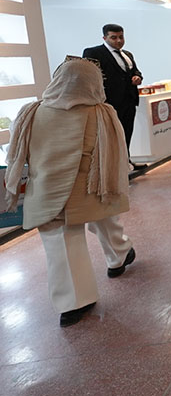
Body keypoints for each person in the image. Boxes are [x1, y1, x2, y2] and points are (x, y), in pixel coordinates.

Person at [3, 58, 135, 327]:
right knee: (105, 219)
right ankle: (119, 256)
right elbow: (116, 151)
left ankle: (76, 302)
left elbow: (18, 151)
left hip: (46, 190)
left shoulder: (31, 112)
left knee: (61, 240)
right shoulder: (101, 112)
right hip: (93, 187)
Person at [82, 24, 142, 162]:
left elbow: (135, 70)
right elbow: (90, 75)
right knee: (111, 136)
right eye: (114, 37)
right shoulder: (93, 52)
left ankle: (126, 161)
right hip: (109, 102)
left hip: (129, 100)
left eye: (121, 37)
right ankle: (113, 165)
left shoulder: (127, 54)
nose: (119, 41)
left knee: (127, 132)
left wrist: (137, 77)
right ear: (104, 38)